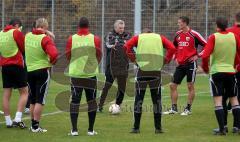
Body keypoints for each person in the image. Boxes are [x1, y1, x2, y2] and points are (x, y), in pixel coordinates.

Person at [124, 28, 176, 134]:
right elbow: (172, 48)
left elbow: (126, 47)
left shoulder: (139, 37)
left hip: (142, 71)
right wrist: (166, 60)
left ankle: (136, 128)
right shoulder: (159, 37)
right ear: (152, 33)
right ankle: (158, 128)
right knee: (156, 100)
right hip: (156, 71)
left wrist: (133, 59)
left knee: (139, 99)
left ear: (144, 33)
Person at [201, 16, 240, 135]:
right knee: (234, 100)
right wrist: (236, 65)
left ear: (217, 26)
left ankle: (222, 129)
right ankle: (237, 128)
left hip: (217, 72)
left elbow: (205, 55)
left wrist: (206, 68)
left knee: (218, 101)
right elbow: (238, 54)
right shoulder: (234, 37)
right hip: (230, 72)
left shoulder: (213, 37)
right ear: (227, 25)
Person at [65, 17, 102, 136]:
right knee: (91, 102)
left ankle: (74, 130)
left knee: (75, 101)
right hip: (90, 75)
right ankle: (90, 130)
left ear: (78, 26)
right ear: (88, 26)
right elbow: (99, 55)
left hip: (76, 75)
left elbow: (68, 55)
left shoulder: (71, 39)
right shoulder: (95, 39)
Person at [163, 16, 207, 115]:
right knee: (172, 85)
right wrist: (175, 58)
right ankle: (174, 109)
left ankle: (188, 109)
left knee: (190, 86)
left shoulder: (194, 34)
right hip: (180, 65)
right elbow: (173, 48)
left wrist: (198, 55)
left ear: (185, 23)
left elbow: (207, 45)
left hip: (191, 64)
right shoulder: (177, 34)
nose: (178, 24)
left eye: (179, 23)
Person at [25, 18, 58, 133]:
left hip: (29, 71)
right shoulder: (45, 39)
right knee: (40, 100)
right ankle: (36, 127)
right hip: (42, 71)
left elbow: (36, 33)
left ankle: (32, 125)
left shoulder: (28, 36)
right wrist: (52, 62)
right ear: (44, 27)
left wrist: (45, 32)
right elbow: (54, 54)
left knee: (32, 99)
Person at [0, 18, 28, 128]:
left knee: (6, 94)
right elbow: (23, 48)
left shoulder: (1, 33)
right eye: (20, 27)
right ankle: (17, 118)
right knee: (24, 92)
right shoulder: (16, 32)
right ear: (16, 25)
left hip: (5, 66)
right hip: (17, 65)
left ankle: (8, 121)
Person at [98, 20, 131, 112]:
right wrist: (114, 45)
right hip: (111, 66)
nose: (122, 30)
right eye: (120, 28)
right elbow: (108, 45)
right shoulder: (109, 35)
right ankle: (99, 105)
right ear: (115, 27)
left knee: (122, 88)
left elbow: (130, 45)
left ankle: (117, 106)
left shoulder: (127, 35)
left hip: (123, 66)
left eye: (123, 28)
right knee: (107, 86)